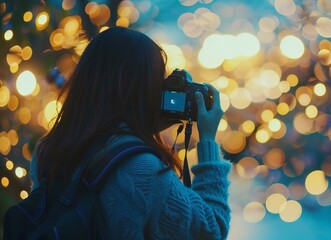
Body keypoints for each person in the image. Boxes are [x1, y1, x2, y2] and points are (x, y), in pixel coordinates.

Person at [29, 27, 231, 239]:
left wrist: (144, 125)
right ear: (140, 88)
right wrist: (208, 139)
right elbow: (213, 229)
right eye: (157, 82)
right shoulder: (143, 170)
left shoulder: (48, 150)